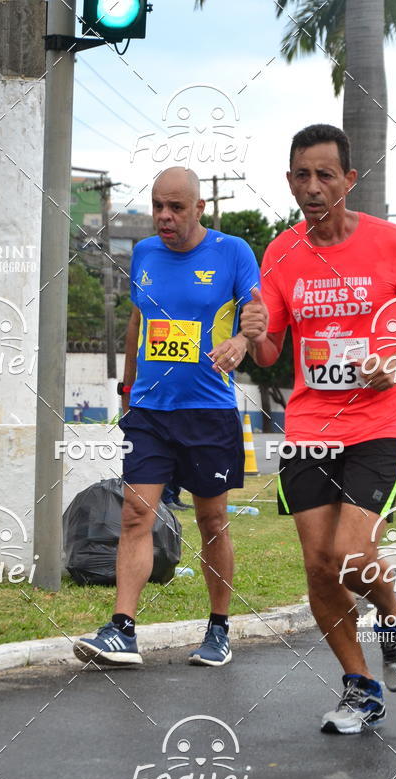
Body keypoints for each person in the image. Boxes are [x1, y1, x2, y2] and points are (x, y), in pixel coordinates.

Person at [241, 123, 396, 734]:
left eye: (325, 174)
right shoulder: (280, 252)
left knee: (353, 557)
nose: (313, 186)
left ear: (349, 180)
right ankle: (360, 687)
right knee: (318, 566)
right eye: (302, 175)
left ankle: (394, 610)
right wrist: (255, 330)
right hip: (310, 423)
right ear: (289, 181)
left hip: (381, 421)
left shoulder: (392, 244)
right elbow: (270, 350)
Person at [73, 167, 260, 668]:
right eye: (158, 205)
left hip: (208, 411)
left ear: (199, 209)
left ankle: (219, 627)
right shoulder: (145, 253)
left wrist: (242, 340)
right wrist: (127, 391)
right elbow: (138, 321)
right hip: (150, 411)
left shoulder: (233, 252)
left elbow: (256, 314)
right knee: (136, 513)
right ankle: (122, 629)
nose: (164, 216)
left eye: (176, 207)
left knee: (211, 520)